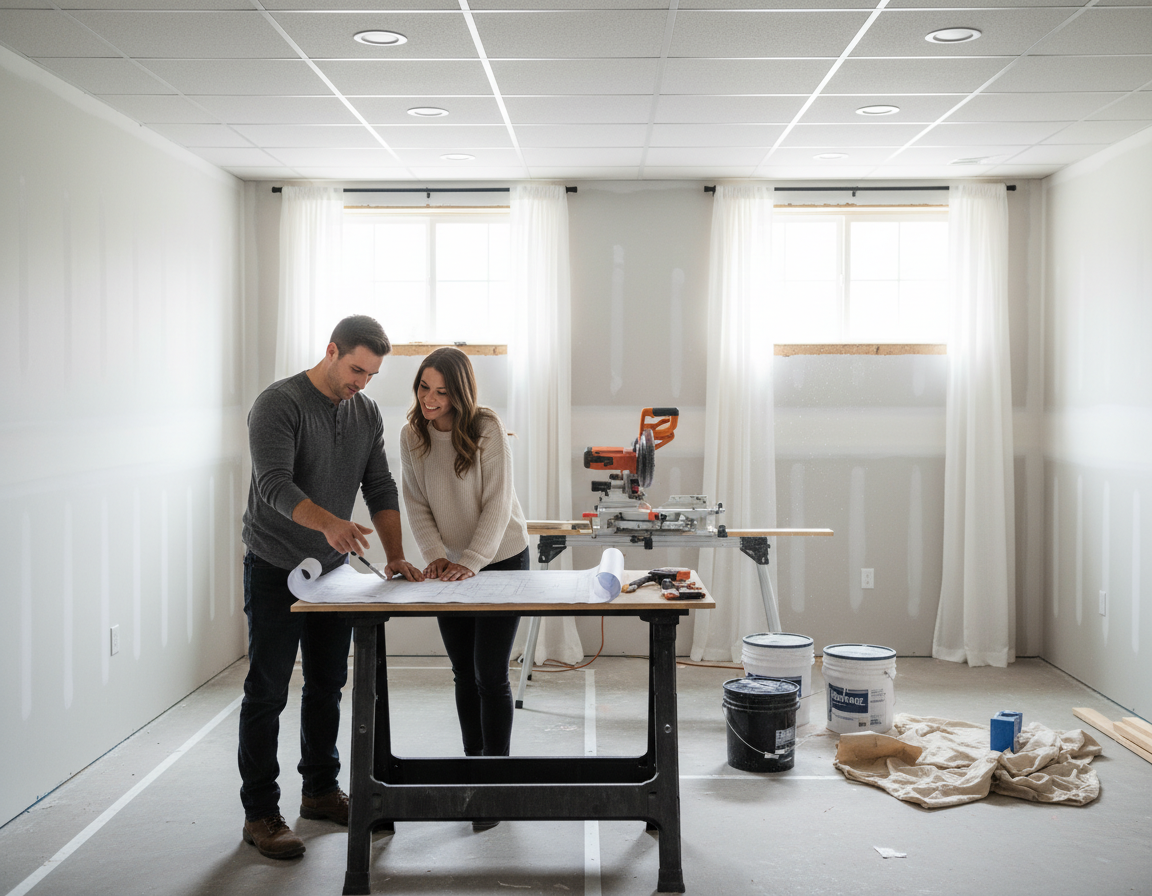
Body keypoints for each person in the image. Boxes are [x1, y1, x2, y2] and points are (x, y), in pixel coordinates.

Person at [238, 315, 423, 859]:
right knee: (267, 692)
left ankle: (319, 791)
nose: (362, 383)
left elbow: (380, 485)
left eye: (371, 375)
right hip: (275, 567)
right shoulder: (279, 404)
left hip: (334, 573)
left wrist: (393, 556)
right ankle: (260, 814)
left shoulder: (365, 412)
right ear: (331, 350)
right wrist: (329, 524)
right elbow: (272, 484)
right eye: (356, 369)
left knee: (327, 685)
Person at [400, 347, 529, 829]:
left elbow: (498, 503)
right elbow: (415, 503)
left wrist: (472, 562)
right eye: (423, 387)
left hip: (501, 558)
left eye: (441, 390)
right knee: (461, 672)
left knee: (488, 673)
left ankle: (496, 782)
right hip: (451, 565)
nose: (430, 399)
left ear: (460, 392)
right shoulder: (411, 435)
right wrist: (436, 555)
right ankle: (474, 767)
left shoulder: (486, 427)